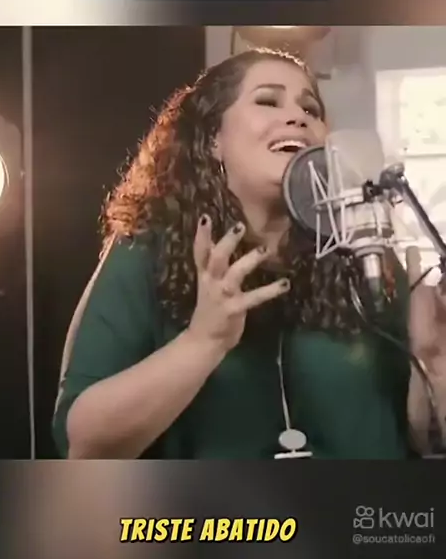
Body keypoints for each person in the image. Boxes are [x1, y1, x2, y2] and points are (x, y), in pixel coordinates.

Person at [52, 48, 446, 460]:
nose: (297, 117)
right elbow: (83, 444)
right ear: (213, 140)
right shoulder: (146, 252)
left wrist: (434, 363)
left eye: (310, 109)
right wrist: (203, 342)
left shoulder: (366, 258)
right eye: (268, 101)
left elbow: (423, 439)